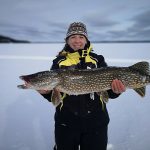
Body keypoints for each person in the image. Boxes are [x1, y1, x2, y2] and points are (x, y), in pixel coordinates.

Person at [27, 22, 126, 150]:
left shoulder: (98, 60)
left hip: (96, 122)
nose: (77, 40)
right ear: (67, 40)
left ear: (86, 40)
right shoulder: (59, 62)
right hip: (66, 123)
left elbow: (110, 92)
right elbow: (54, 94)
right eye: (73, 37)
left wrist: (117, 90)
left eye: (81, 37)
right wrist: (46, 93)